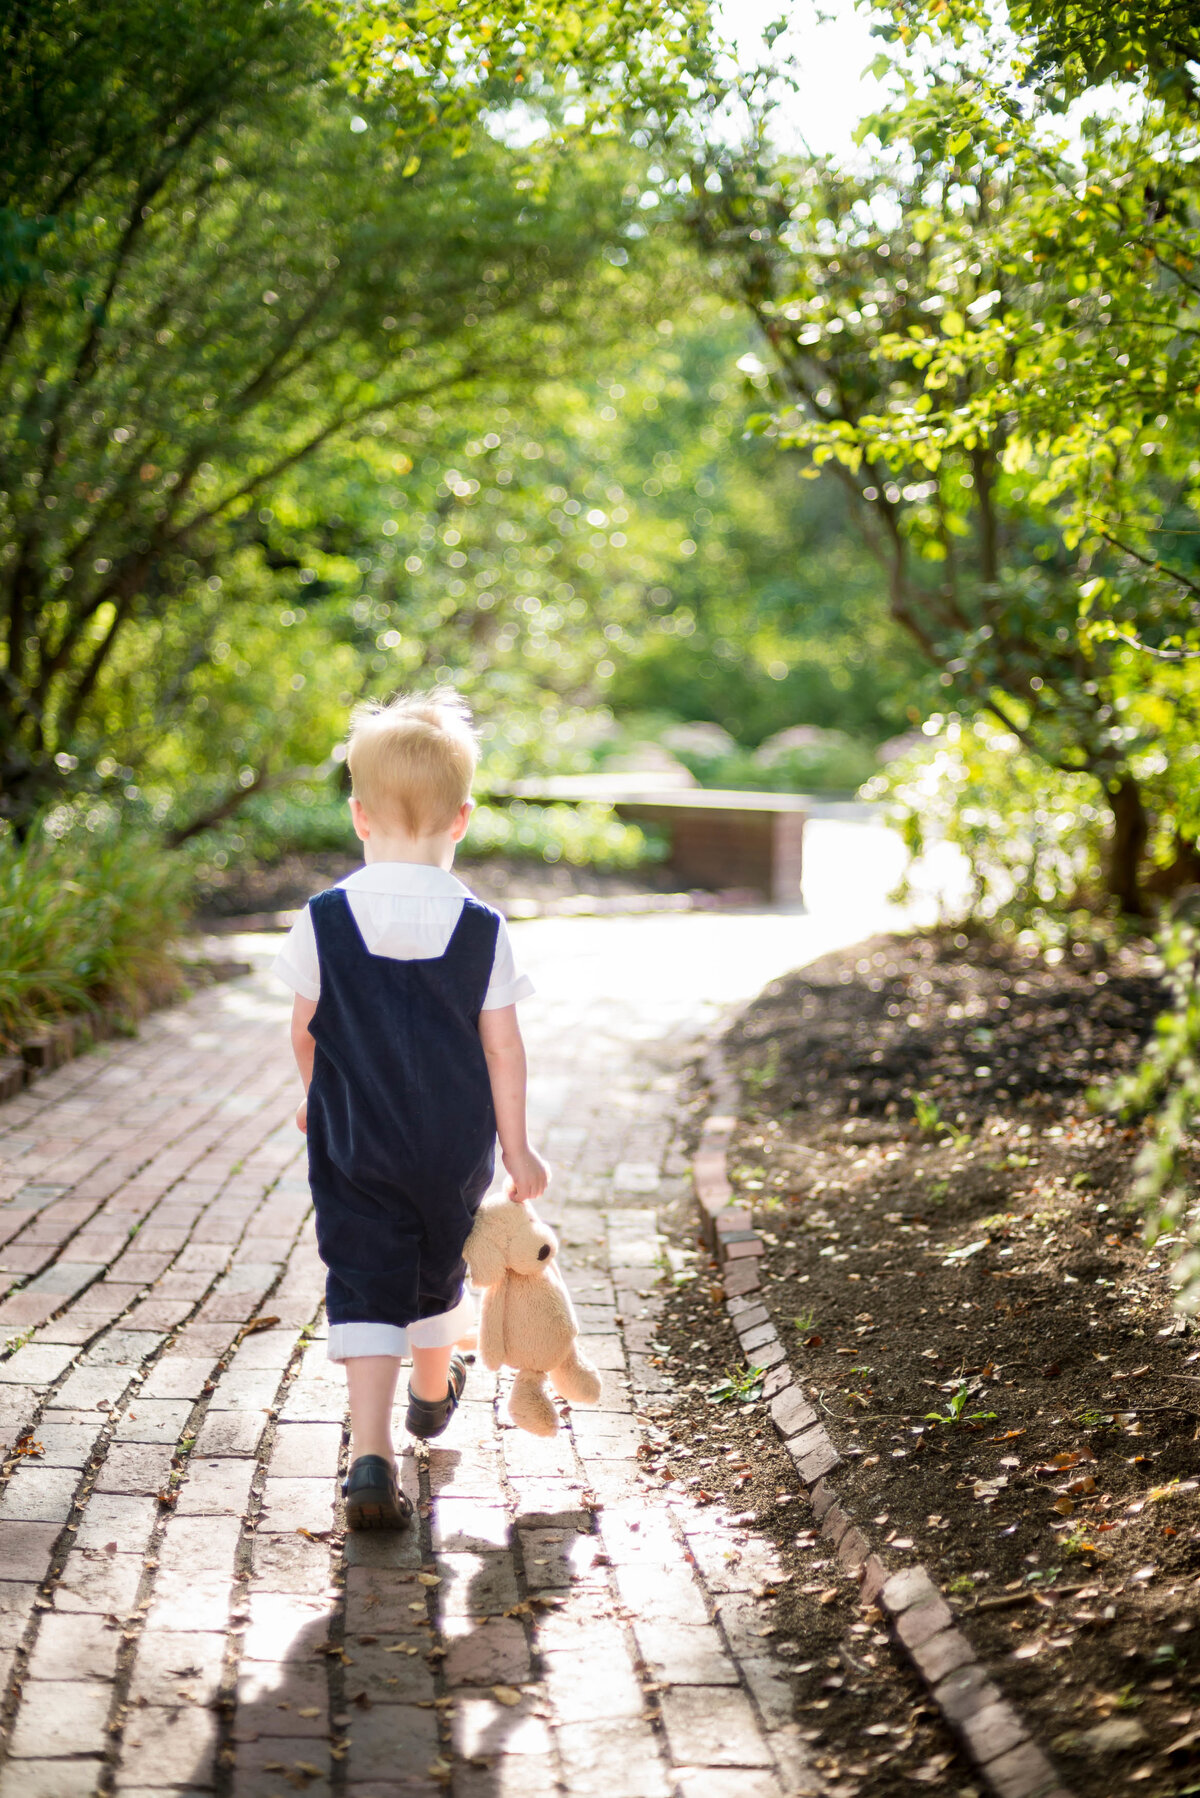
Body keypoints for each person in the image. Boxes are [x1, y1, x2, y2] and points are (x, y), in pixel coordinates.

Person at [273, 689, 549, 1530]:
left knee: (364, 1273)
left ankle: (370, 1454)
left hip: (355, 1141)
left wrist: (317, 1097)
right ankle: (432, 1392)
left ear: (358, 816)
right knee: (435, 1263)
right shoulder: (482, 926)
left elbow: (305, 1029)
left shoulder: (322, 921)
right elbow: (503, 1049)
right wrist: (519, 1150)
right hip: (450, 1146)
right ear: (460, 819)